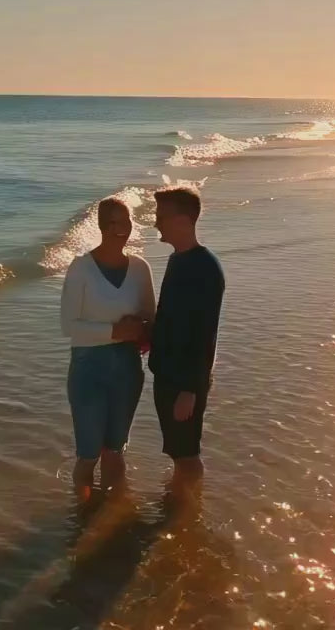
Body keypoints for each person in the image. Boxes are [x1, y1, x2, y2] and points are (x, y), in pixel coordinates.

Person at [59, 198, 156, 500]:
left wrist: (140, 328)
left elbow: (151, 318)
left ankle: (112, 514)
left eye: (126, 222)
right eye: (115, 223)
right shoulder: (81, 268)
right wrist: (115, 331)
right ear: (102, 227)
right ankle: (83, 512)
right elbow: (68, 326)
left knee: (115, 451)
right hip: (89, 370)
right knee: (88, 454)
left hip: (127, 368)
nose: (122, 229)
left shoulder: (140, 268)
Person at [148, 186, 225, 489]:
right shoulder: (177, 259)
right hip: (169, 374)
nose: (156, 223)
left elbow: (205, 333)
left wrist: (190, 390)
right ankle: (181, 503)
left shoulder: (204, 267)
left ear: (182, 221)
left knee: (187, 455)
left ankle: (188, 510)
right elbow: (172, 318)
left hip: (184, 381)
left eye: (161, 217)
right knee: (178, 451)